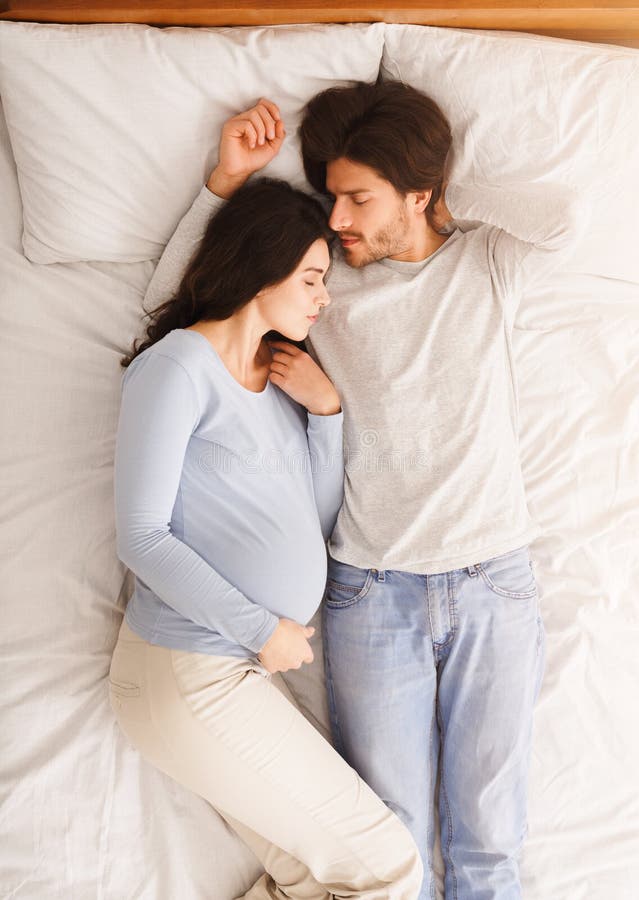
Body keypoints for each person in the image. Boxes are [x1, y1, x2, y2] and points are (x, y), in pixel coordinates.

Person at [142, 84, 589, 900]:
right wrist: (226, 180)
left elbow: (563, 219)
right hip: (371, 590)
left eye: (357, 198)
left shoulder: (484, 262)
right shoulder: (322, 286)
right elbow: (183, 305)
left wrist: (438, 186)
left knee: (490, 845)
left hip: (491, 579)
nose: (339, 218)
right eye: (331, 197)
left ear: (416, 193)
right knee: (392, 842)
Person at [108, 163, 424, 898]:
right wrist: (259, 628)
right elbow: (141, 536)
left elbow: (316, 523)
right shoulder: (179, 367)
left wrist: (325, 414)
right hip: (188, 668)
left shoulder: (280, 380)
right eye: (312, 278)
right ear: (262, 268)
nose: (324, 297)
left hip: (227, 673)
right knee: (388, 868)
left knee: (309, 880)